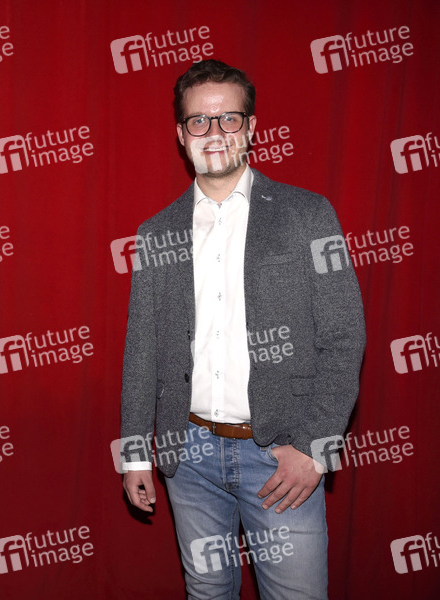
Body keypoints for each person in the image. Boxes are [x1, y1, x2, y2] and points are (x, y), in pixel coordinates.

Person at [119, 59, 365, 599]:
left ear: (251, 127)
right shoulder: (155, 233)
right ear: (181, 135)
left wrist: (314, 448)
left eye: (228, 118)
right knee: (206, 594)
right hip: (188, 459)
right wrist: (134, 454)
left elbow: (345, 336)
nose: (214, 132)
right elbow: (141, 351)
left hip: (281, 456)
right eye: (199, 121)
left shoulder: (307, 215)